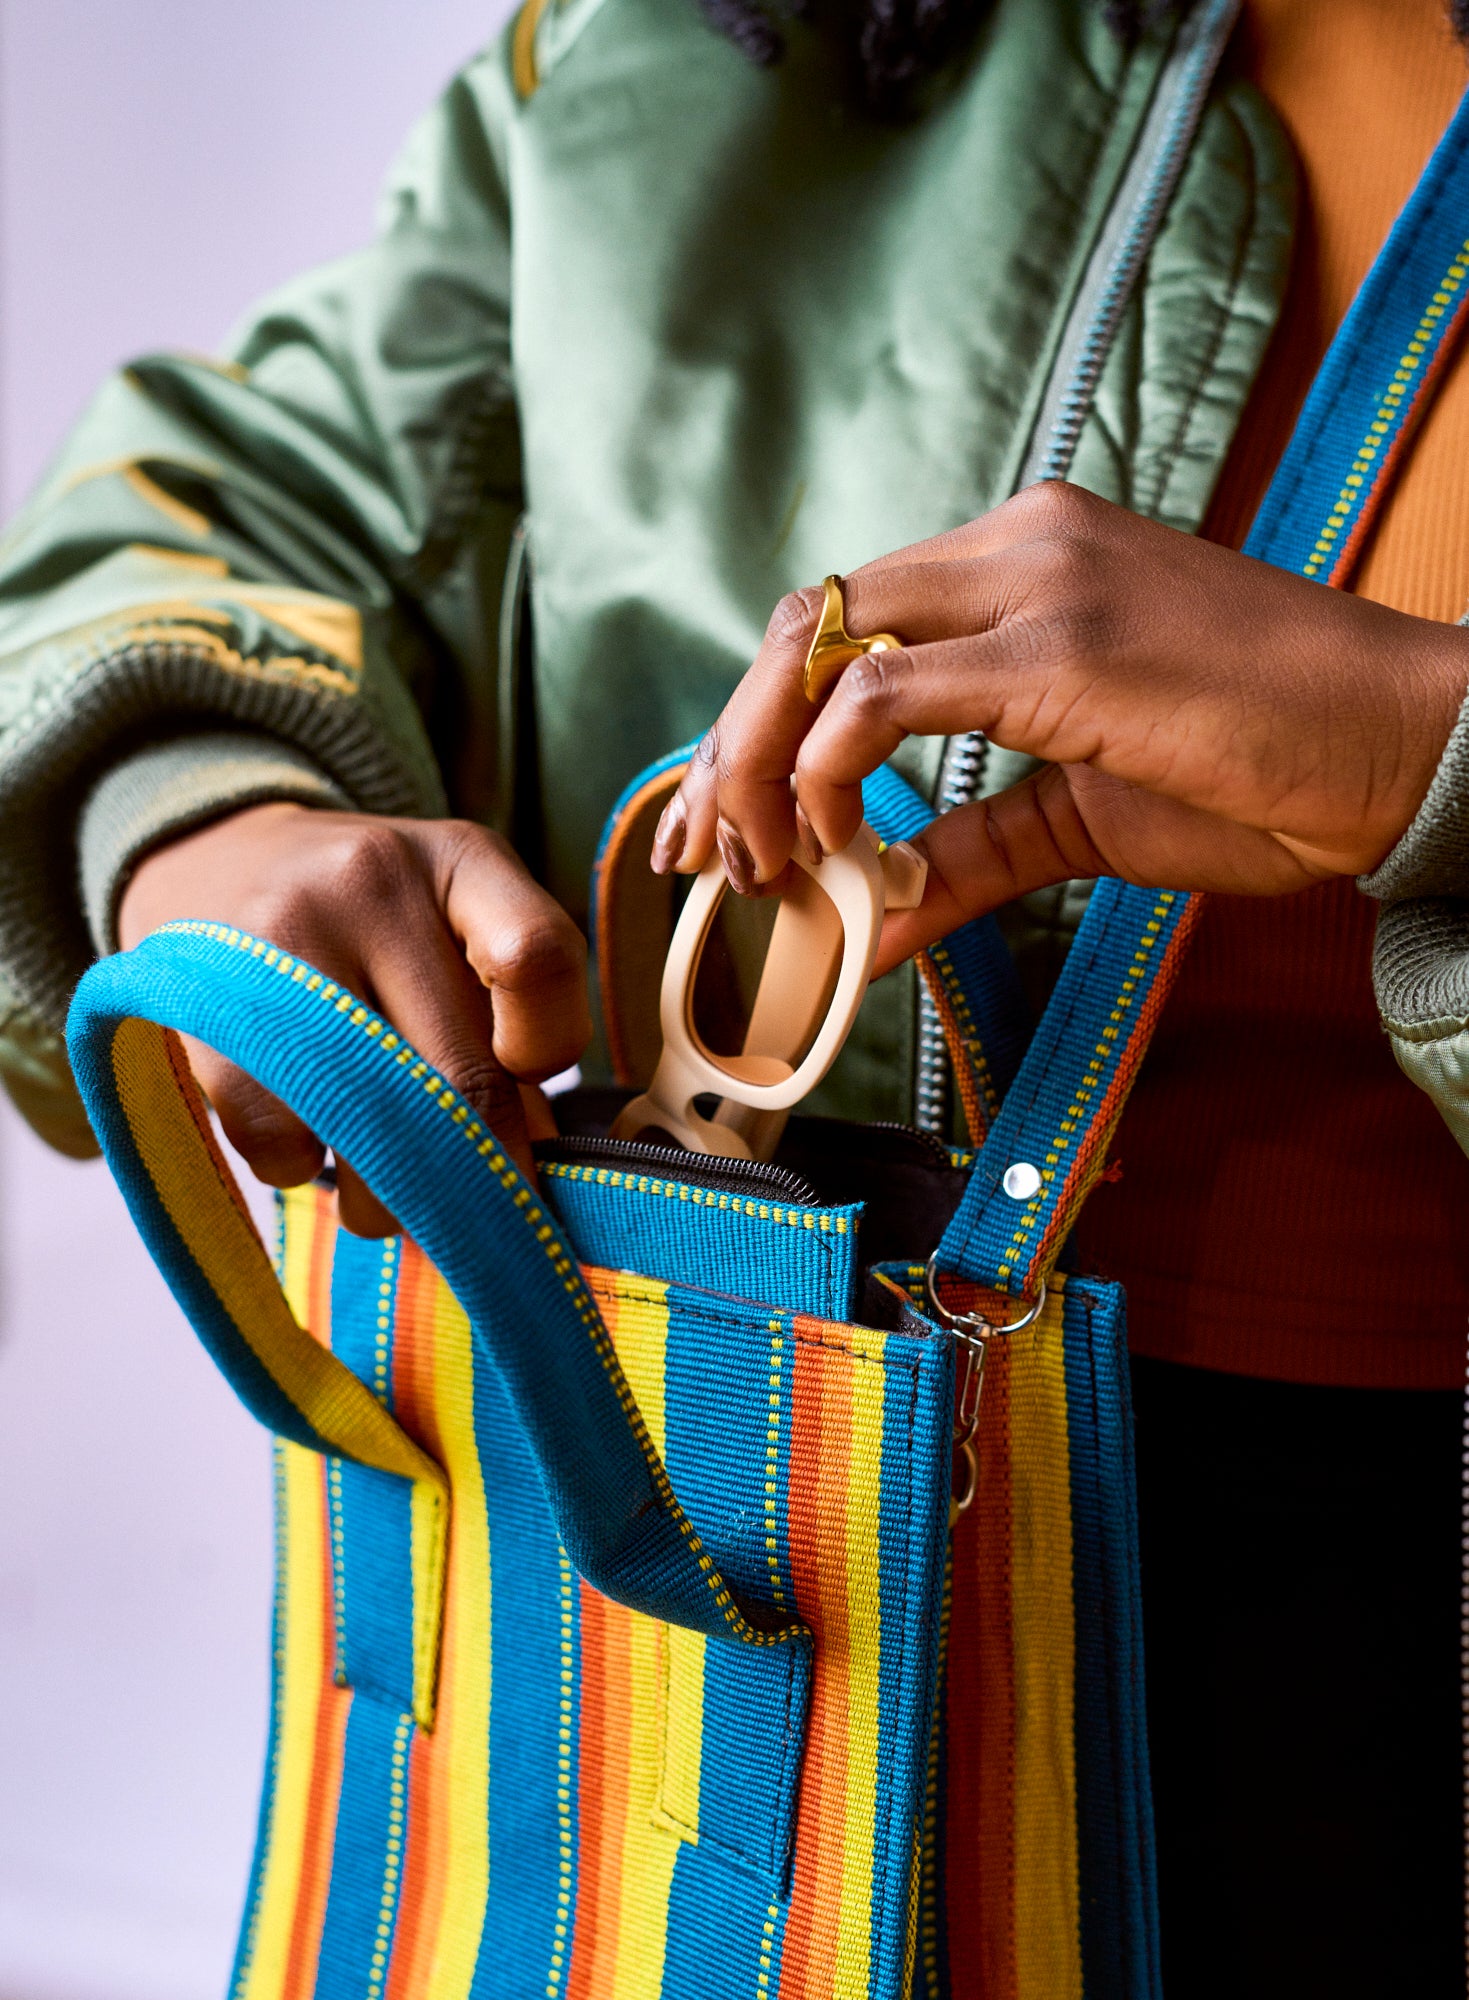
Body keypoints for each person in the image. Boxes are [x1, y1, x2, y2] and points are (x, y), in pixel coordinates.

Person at [0, 0, 1465, 1987]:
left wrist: (1427, 759)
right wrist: (205, 815)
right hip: (734, 1508)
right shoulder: (694, 40)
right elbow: (245, 485)